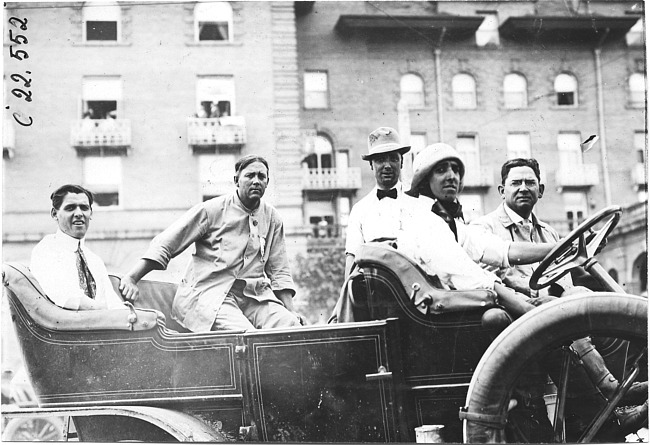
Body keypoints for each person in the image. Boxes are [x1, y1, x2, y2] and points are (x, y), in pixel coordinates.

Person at [472, 158, 648, 440]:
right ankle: (611, 391)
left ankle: (614, 400)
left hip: (551, 311)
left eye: (530, 183)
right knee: (572, 305)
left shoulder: (549, 232)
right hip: (516, 316)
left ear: (541, 190)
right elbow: (488, 277)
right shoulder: (483, 228)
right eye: (515, 183)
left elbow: (563, 280)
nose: (523, 188)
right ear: (501, 190)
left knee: (599, 306)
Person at [336, 128, 553, 323]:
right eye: (380, 160)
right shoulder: (408, 217)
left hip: (443, 299)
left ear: (402, 162)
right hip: (411, 308)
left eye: (393, 158)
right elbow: (462, 271)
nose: (387, 165)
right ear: (371, 164)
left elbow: (495, 249)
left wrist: (555, 248)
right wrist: (519, 303)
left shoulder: (429, 209)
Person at [119, 155, 302, 332]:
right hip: (210, 296)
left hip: (255, 298)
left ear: (267, 183)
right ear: (236, 180)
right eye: (249, 175)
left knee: (291, 326)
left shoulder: (273, 218)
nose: (256, 181)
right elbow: (167, 243)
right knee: (245, 336)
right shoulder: (211, 210)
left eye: (261, 177)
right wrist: (132, 278)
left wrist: (290, 311)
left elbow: (280, 272)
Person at [30, 184, 125, 310]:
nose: (79, 213)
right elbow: (69, 297)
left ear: (91, 213)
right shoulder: (46, 250)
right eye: (70, 208)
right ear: (54, 214)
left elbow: (111, 300)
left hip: (100, 325)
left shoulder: (94, 259)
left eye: (84, 208)